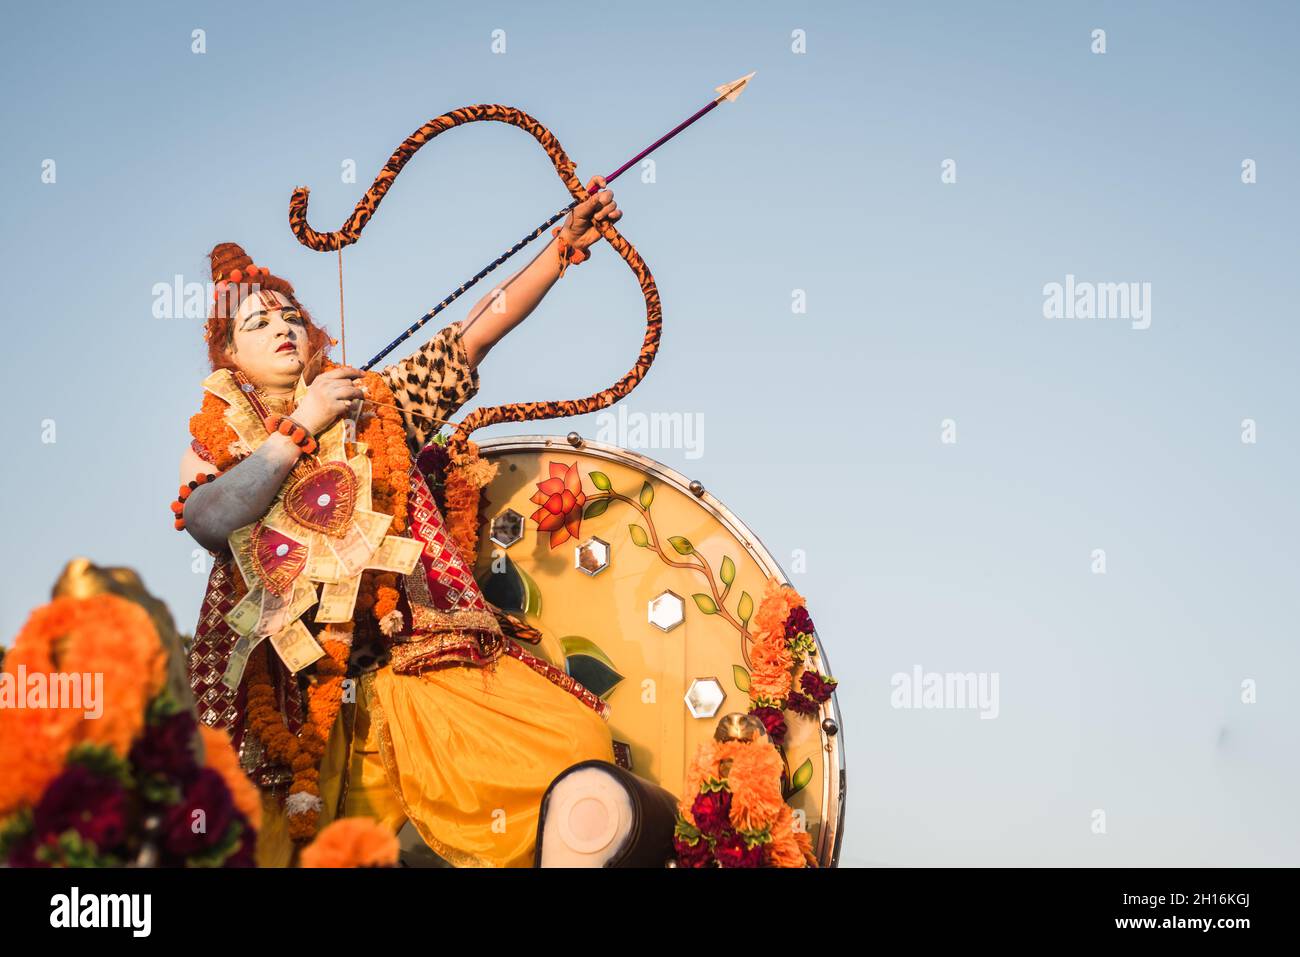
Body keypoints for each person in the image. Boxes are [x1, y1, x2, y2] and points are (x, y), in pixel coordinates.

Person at [179, 182, 624, 867]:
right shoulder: (220, 438)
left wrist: (560, 249)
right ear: (230, 359)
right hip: (298, 700)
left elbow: (474, 335)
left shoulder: (377, 404)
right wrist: (303, 428)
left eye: (289, 314)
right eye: (257, 323)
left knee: (574, 744)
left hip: (415, 661)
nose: (281, 327)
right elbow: (209, 519)